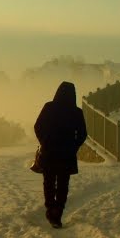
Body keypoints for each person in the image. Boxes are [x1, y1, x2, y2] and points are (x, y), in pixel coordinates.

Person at [33, 81, 88, 228]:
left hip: (49, 152)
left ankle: (50, 209)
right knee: (63, 184)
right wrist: (73, 146)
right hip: (67, 154)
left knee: (49, 182)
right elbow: (83, 134)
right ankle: (58, 213)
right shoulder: (76, 112)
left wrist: (44, 141)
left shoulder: (49, 107)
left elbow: (37, 126)